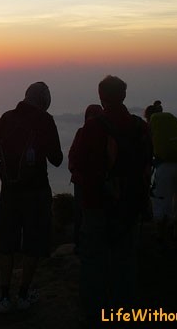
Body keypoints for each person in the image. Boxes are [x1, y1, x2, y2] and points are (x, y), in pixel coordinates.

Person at [69, 76, 152, 327]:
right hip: (130, 204)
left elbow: (77, 164)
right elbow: (148, 162)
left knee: (93, 259)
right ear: (124, 96)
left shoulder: (93, 128)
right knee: (125, 258)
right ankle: (124, 310)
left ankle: (93, 312)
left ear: (101, 97)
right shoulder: (140, 127)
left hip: (96, 205)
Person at [0, 82, 63, 313]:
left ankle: (3, 296)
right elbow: (57, 159)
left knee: (7, 244)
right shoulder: (45, 120)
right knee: (32, 243)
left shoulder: (6, 118)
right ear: (43, 99)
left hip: (9, 192)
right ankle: (23, 295)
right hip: (36, 192)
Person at [148, 112, 177, 244]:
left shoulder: (155, 125)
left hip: (164, 168)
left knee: (161, 203)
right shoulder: (174, 125)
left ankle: (161, 237)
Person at [68, 104, 104, 255]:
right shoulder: (106, 133)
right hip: (99, 181)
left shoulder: (81, 132)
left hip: (81, 181)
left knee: (80, 213)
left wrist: (75, 171)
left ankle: (80, 245)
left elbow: (72, 156)